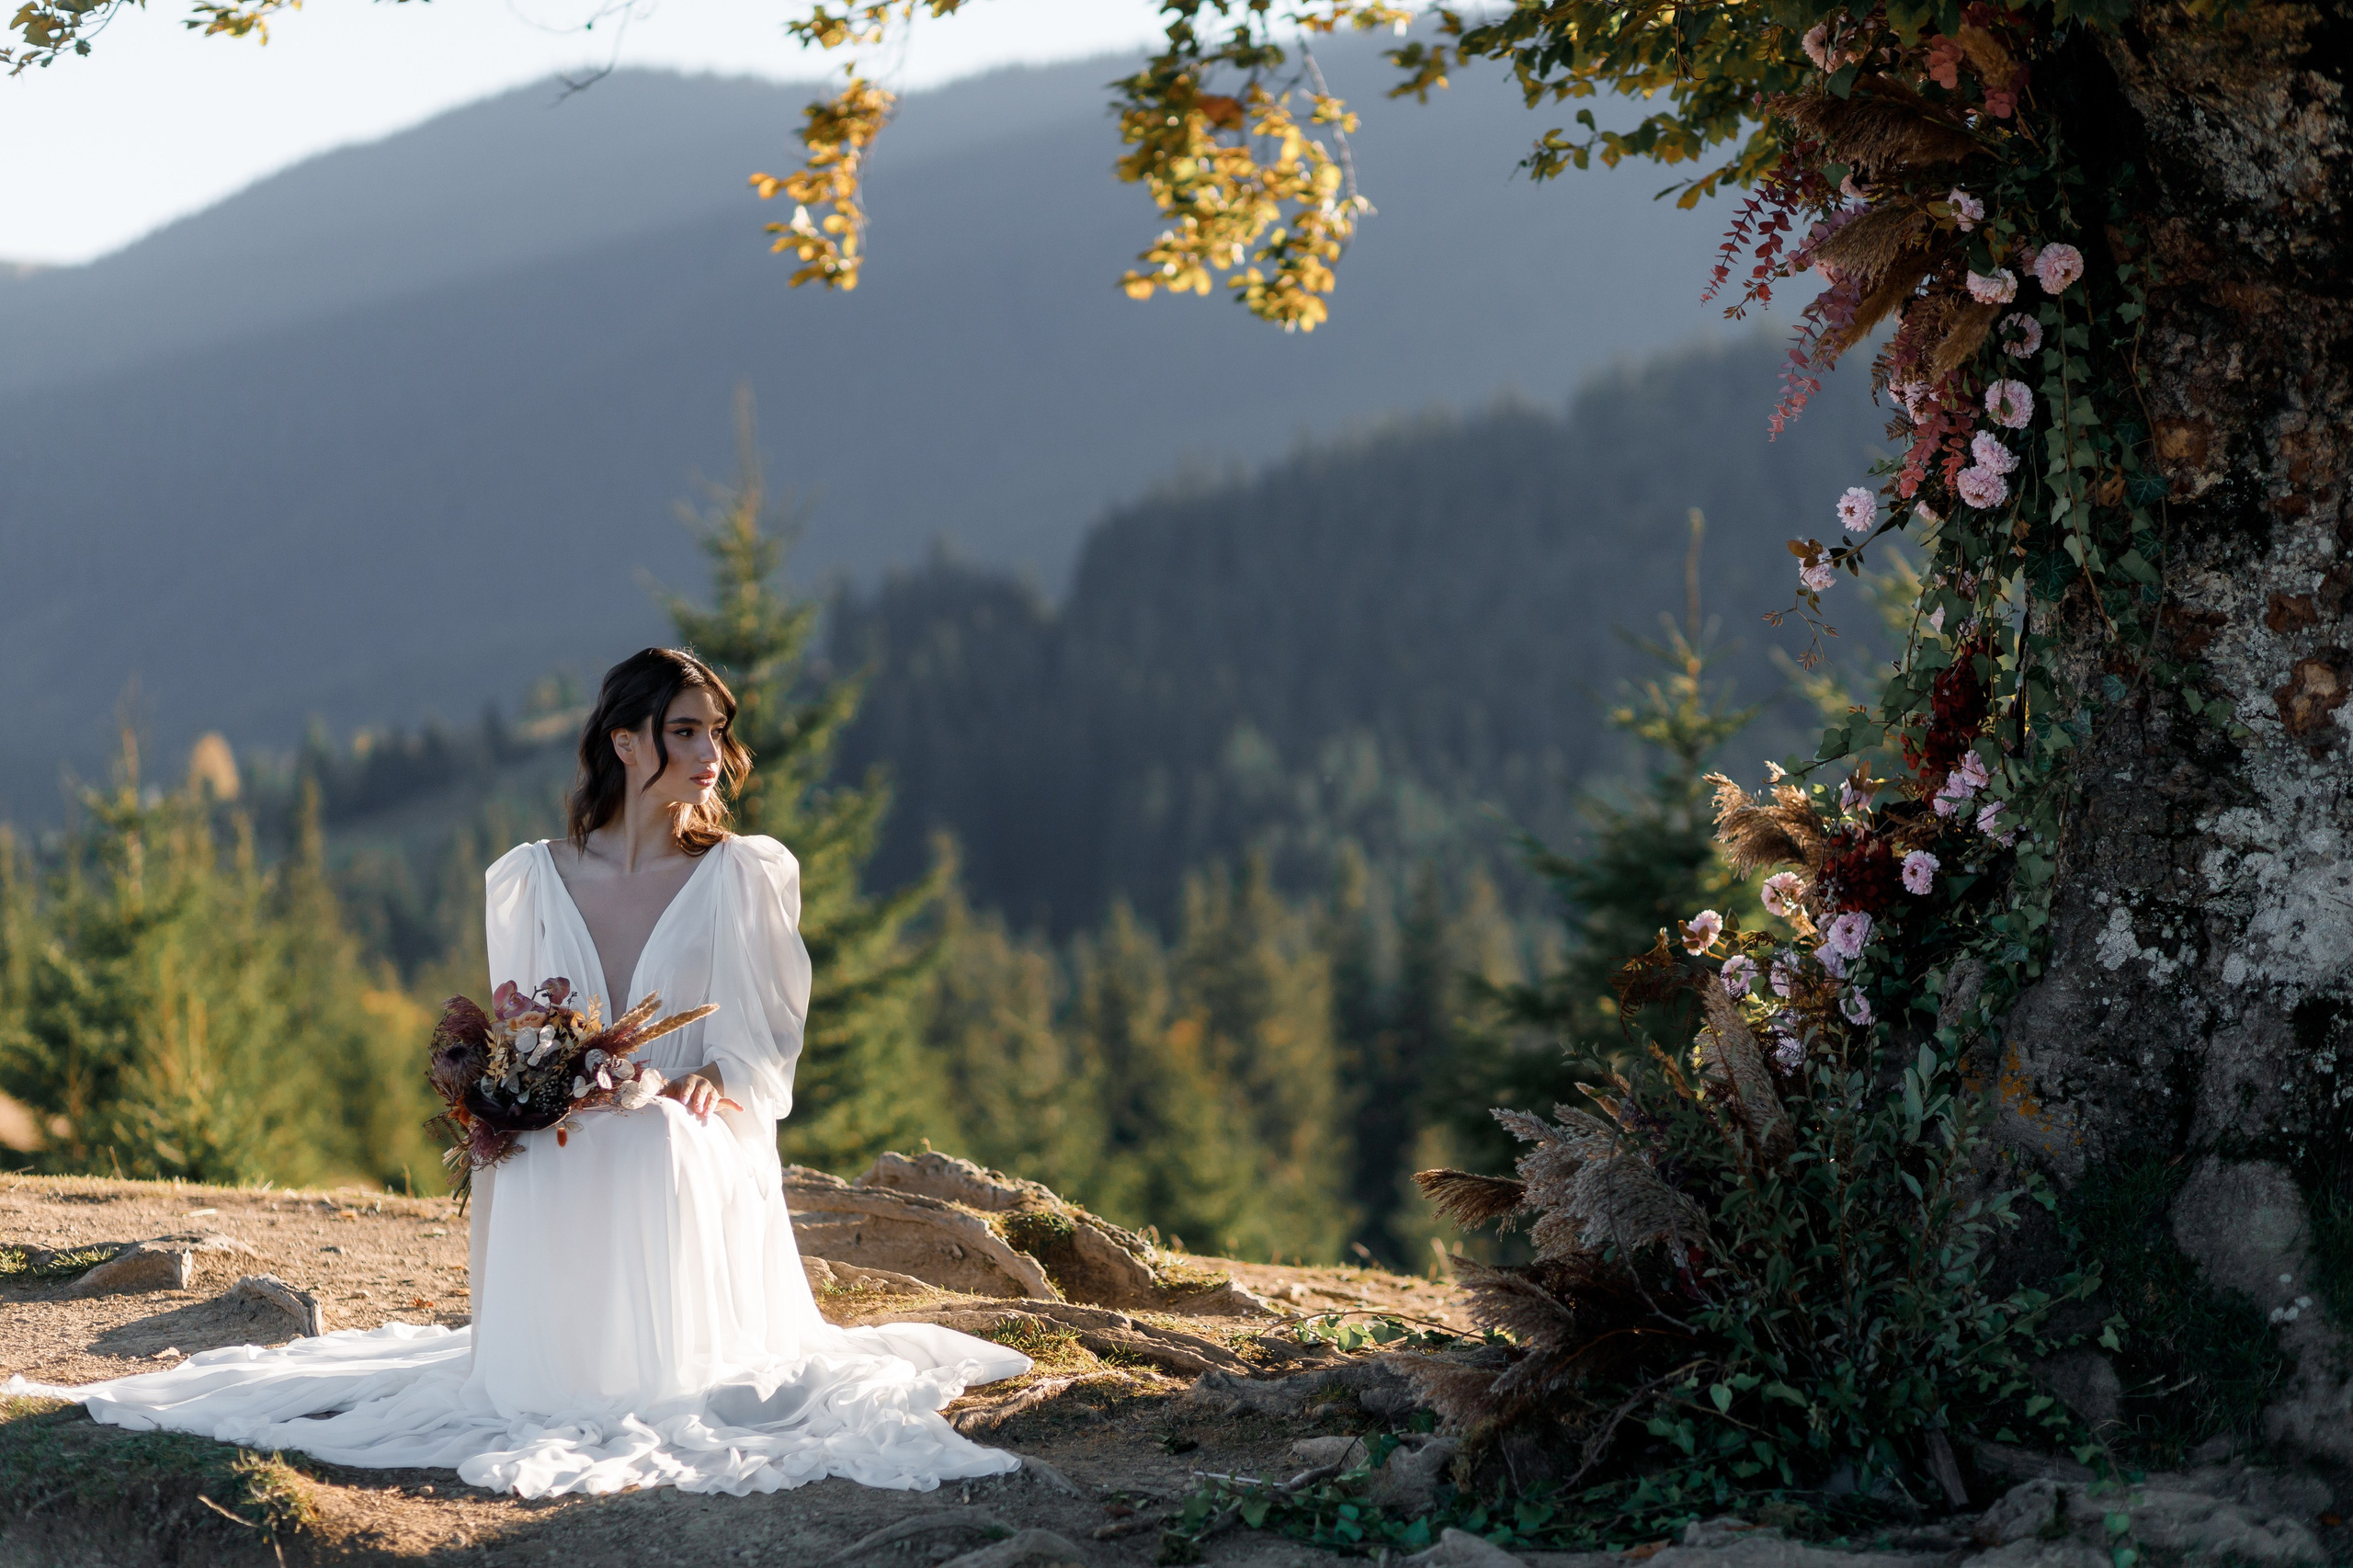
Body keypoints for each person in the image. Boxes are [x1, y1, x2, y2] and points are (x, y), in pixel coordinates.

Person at [7, 648, 1030, 1498]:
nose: (709, 752)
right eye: (684, 730)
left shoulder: (741, 876)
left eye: (716, 730)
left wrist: (706, 1079)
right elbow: (525, 1028)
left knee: (662, 1136)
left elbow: (763, 1047)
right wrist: (537, 1083)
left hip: (699, 1123)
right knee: (534, 1147)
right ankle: (557, 1366)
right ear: (625, 742)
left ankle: (659, 1368)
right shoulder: (535, 876)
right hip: (586, 1113)